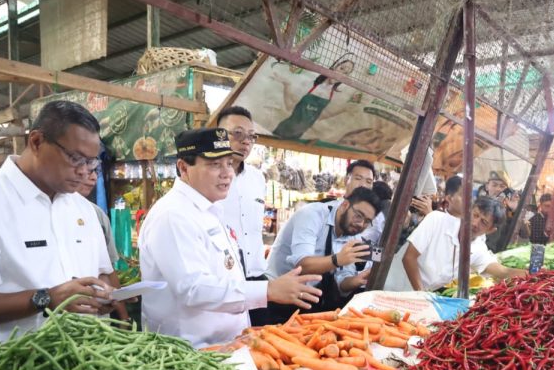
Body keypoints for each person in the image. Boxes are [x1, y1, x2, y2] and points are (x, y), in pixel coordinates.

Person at [0, 100, 116, 353]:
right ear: (37, 142)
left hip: (85, 363)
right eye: (75, 158)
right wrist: (45, 299)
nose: (84, 172)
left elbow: (102, 273)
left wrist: (104, 295)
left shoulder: (82, 210)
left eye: (92, 162)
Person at [139, 128, 321, 348]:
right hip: (189, 352)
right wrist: (267, 290)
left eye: (228, 163)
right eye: (215, 165)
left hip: (224, 347)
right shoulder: (173, 215)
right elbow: (193, 288)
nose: (227, 173)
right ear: (183, 167)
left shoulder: (210, 208)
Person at [385, 177, 525, 292]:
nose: (475, 223)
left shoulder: (476, 248)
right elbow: (409, 257)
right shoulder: (436, 219)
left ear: (490, 230)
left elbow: (502, 271)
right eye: (475, 215)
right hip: (393, 287)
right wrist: (421, 295)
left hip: (419, 296)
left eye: (483, 222)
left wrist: (537, 275)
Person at [265, 187, 382, 321]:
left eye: (367, 221)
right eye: (358, 215)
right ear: (345, 205)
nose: (361, 223)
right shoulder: (312, 215)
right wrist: (336, 260)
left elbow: (341, 282)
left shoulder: (350, 235)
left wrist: (357, 280)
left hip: (308, 301)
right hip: (276, 297)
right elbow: (302, 265)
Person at [214, 106, 268, 324]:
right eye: (237, 134)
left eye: (251, 137)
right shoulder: (208, 179)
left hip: (256, 275)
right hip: (223, 280)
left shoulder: (258, 179)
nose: (246, 142)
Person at [77, 165, 129, 321]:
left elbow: (107, 269)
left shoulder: (94, 214)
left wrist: (122, 313)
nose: (93, 177)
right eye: (86, 169)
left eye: (94, 171)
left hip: (97, 320)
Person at [272, 54, 355, 140]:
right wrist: (287, 85)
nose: (340, 74)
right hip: (284, 130)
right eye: (341, 68)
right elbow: (289, 107)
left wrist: (342, 110)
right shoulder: (310, 85)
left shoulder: (332, 95)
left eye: (346, 73)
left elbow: (319, 117)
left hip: (298, 136)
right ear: (334, 67)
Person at [477, 170, 521, 252]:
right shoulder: (478, 206)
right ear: (487, 186)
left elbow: (525, 233)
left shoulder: (510, 210)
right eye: (494, 185)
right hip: (481, 255)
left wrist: (516, 210)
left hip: (503, 256)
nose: (498, 189)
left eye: (502, 186)